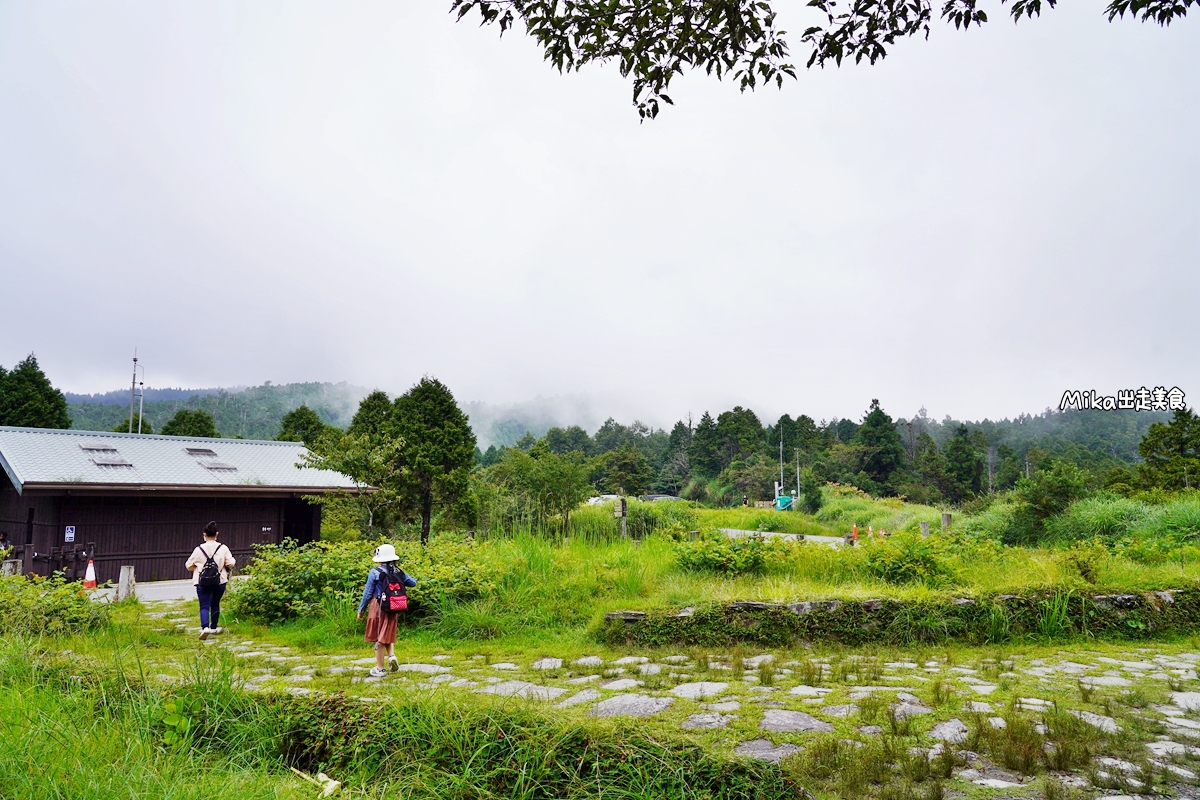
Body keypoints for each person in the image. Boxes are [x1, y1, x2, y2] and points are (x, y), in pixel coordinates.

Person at [357, 543, 416, 678]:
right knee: (387, 632)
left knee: (379, 637)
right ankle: (392, 656)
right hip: (394, 606)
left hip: (378, 606)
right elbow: (413, 583)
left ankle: (380, 669)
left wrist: (361, 609)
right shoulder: (398, 571)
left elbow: (367, 593)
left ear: (379, 558)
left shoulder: (375, 572)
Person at [185, 521, 236, 640]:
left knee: (204, 605)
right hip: (220, 580)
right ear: (217, 534)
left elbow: (188, 565)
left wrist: (197, 567)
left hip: (202, 581)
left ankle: (205, 628)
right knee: (215, 603)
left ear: (204, 534)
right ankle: (213, 627)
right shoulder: (223, 548)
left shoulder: (198, 549)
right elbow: (231, 563)